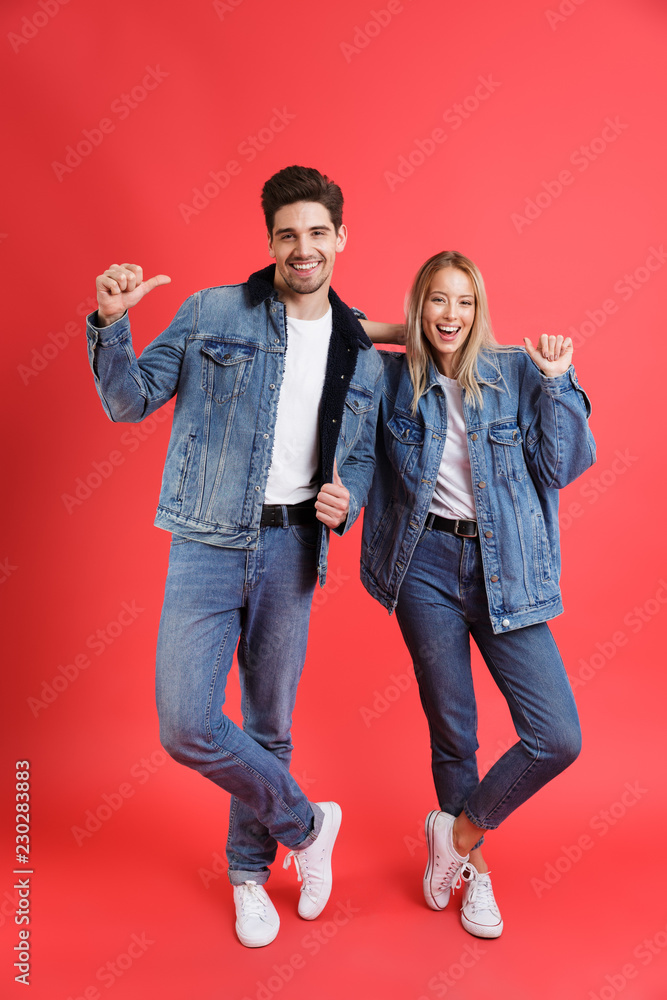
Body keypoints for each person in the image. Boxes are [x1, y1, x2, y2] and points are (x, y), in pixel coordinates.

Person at [86, 166, 386, 948]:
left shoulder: (362, 349)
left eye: (317, 232)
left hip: (294, 549)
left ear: (340, 239)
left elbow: (356, 461)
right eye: (288, 233)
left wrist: (343, 498)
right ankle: (306, 824)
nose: (303, 247)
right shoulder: (212, 310)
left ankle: (249, 877)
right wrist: (109, 323)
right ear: (270, 243)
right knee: (186, 723)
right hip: (207, 539)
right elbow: (128, 401)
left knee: (267, 724)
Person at [360, 250, 596, 938]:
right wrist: (396, 331)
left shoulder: (517, 373)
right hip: (422, 566)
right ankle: (476, 880)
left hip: (506, 567)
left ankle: (456, 837)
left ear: (479, 309)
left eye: (463, 302)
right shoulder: (387, 378)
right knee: (452, 730)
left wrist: (557, 383)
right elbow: (337, 326)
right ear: (418, 308)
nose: (450, 315)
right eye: (436, 300)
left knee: (555, 735)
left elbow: (564, 465)